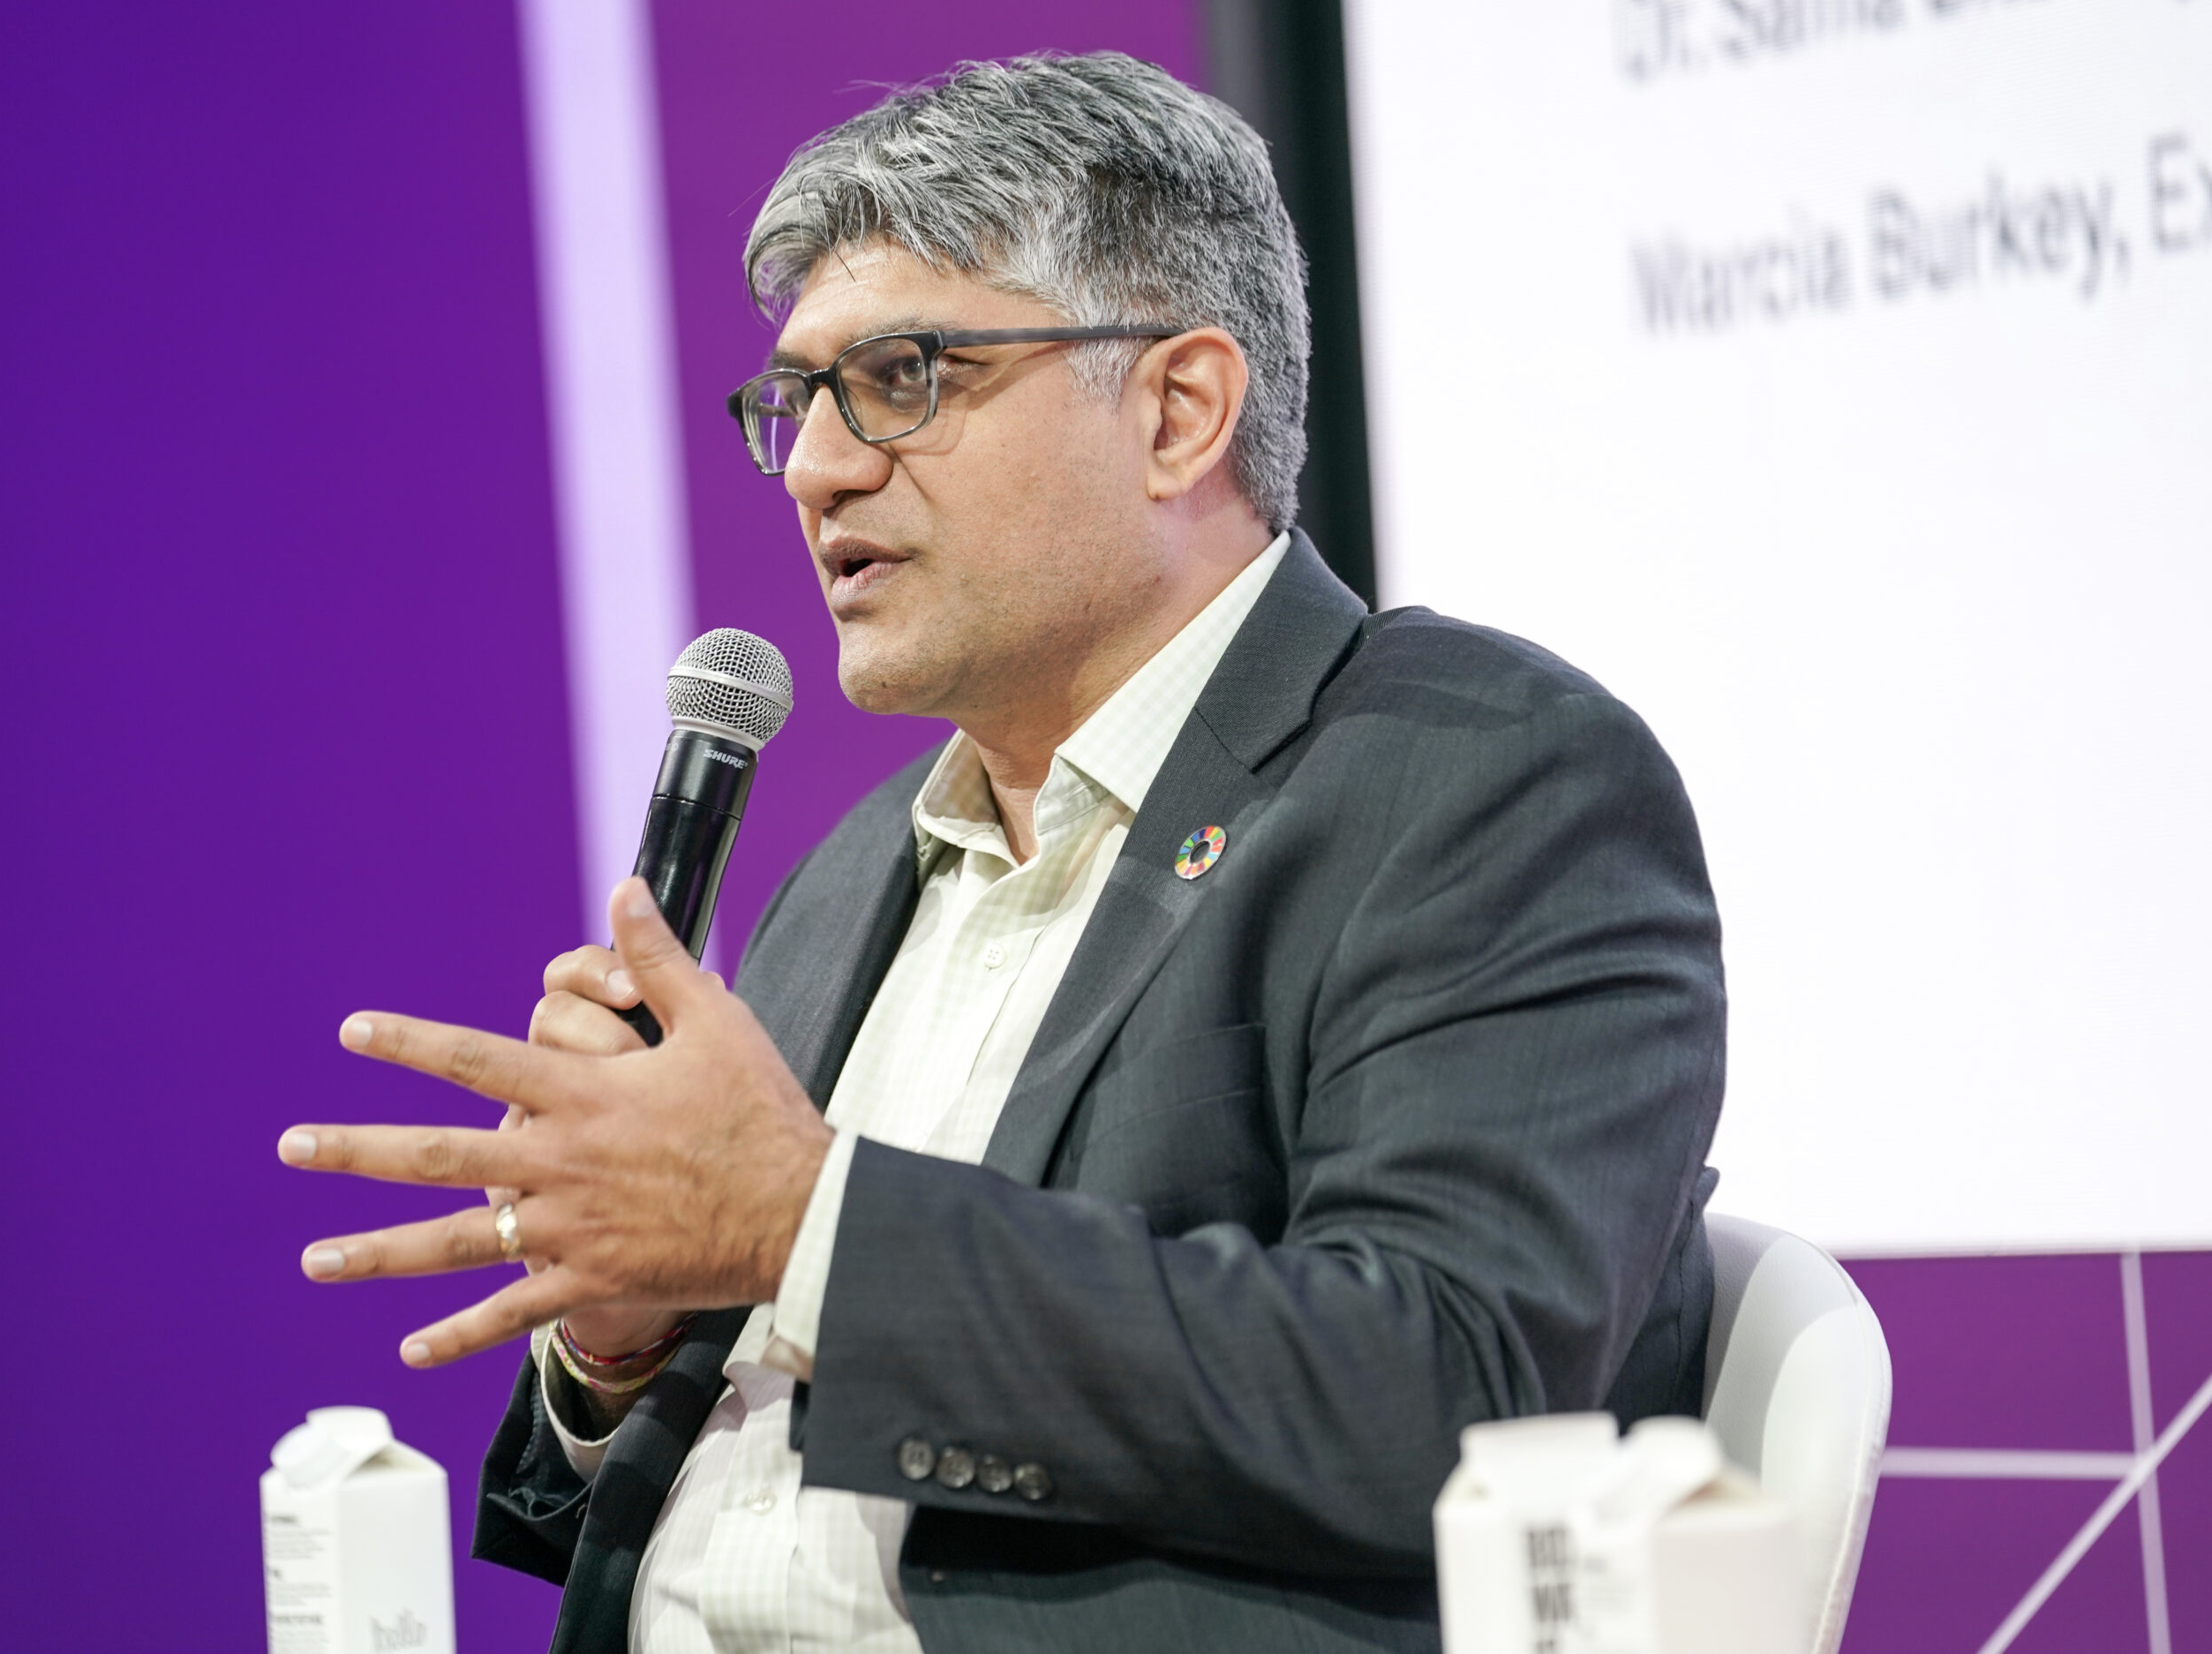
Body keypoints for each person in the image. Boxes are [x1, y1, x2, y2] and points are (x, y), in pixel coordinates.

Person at [279, 52, 1725, 1654]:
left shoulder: (1479, 783)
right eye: (798, 400)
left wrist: (796, 1218)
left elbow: (1451, 1396)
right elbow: (650, 1507)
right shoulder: (846, 883)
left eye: (903, 376)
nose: (820, 465)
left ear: (1179, 410)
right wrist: (622, 1345)